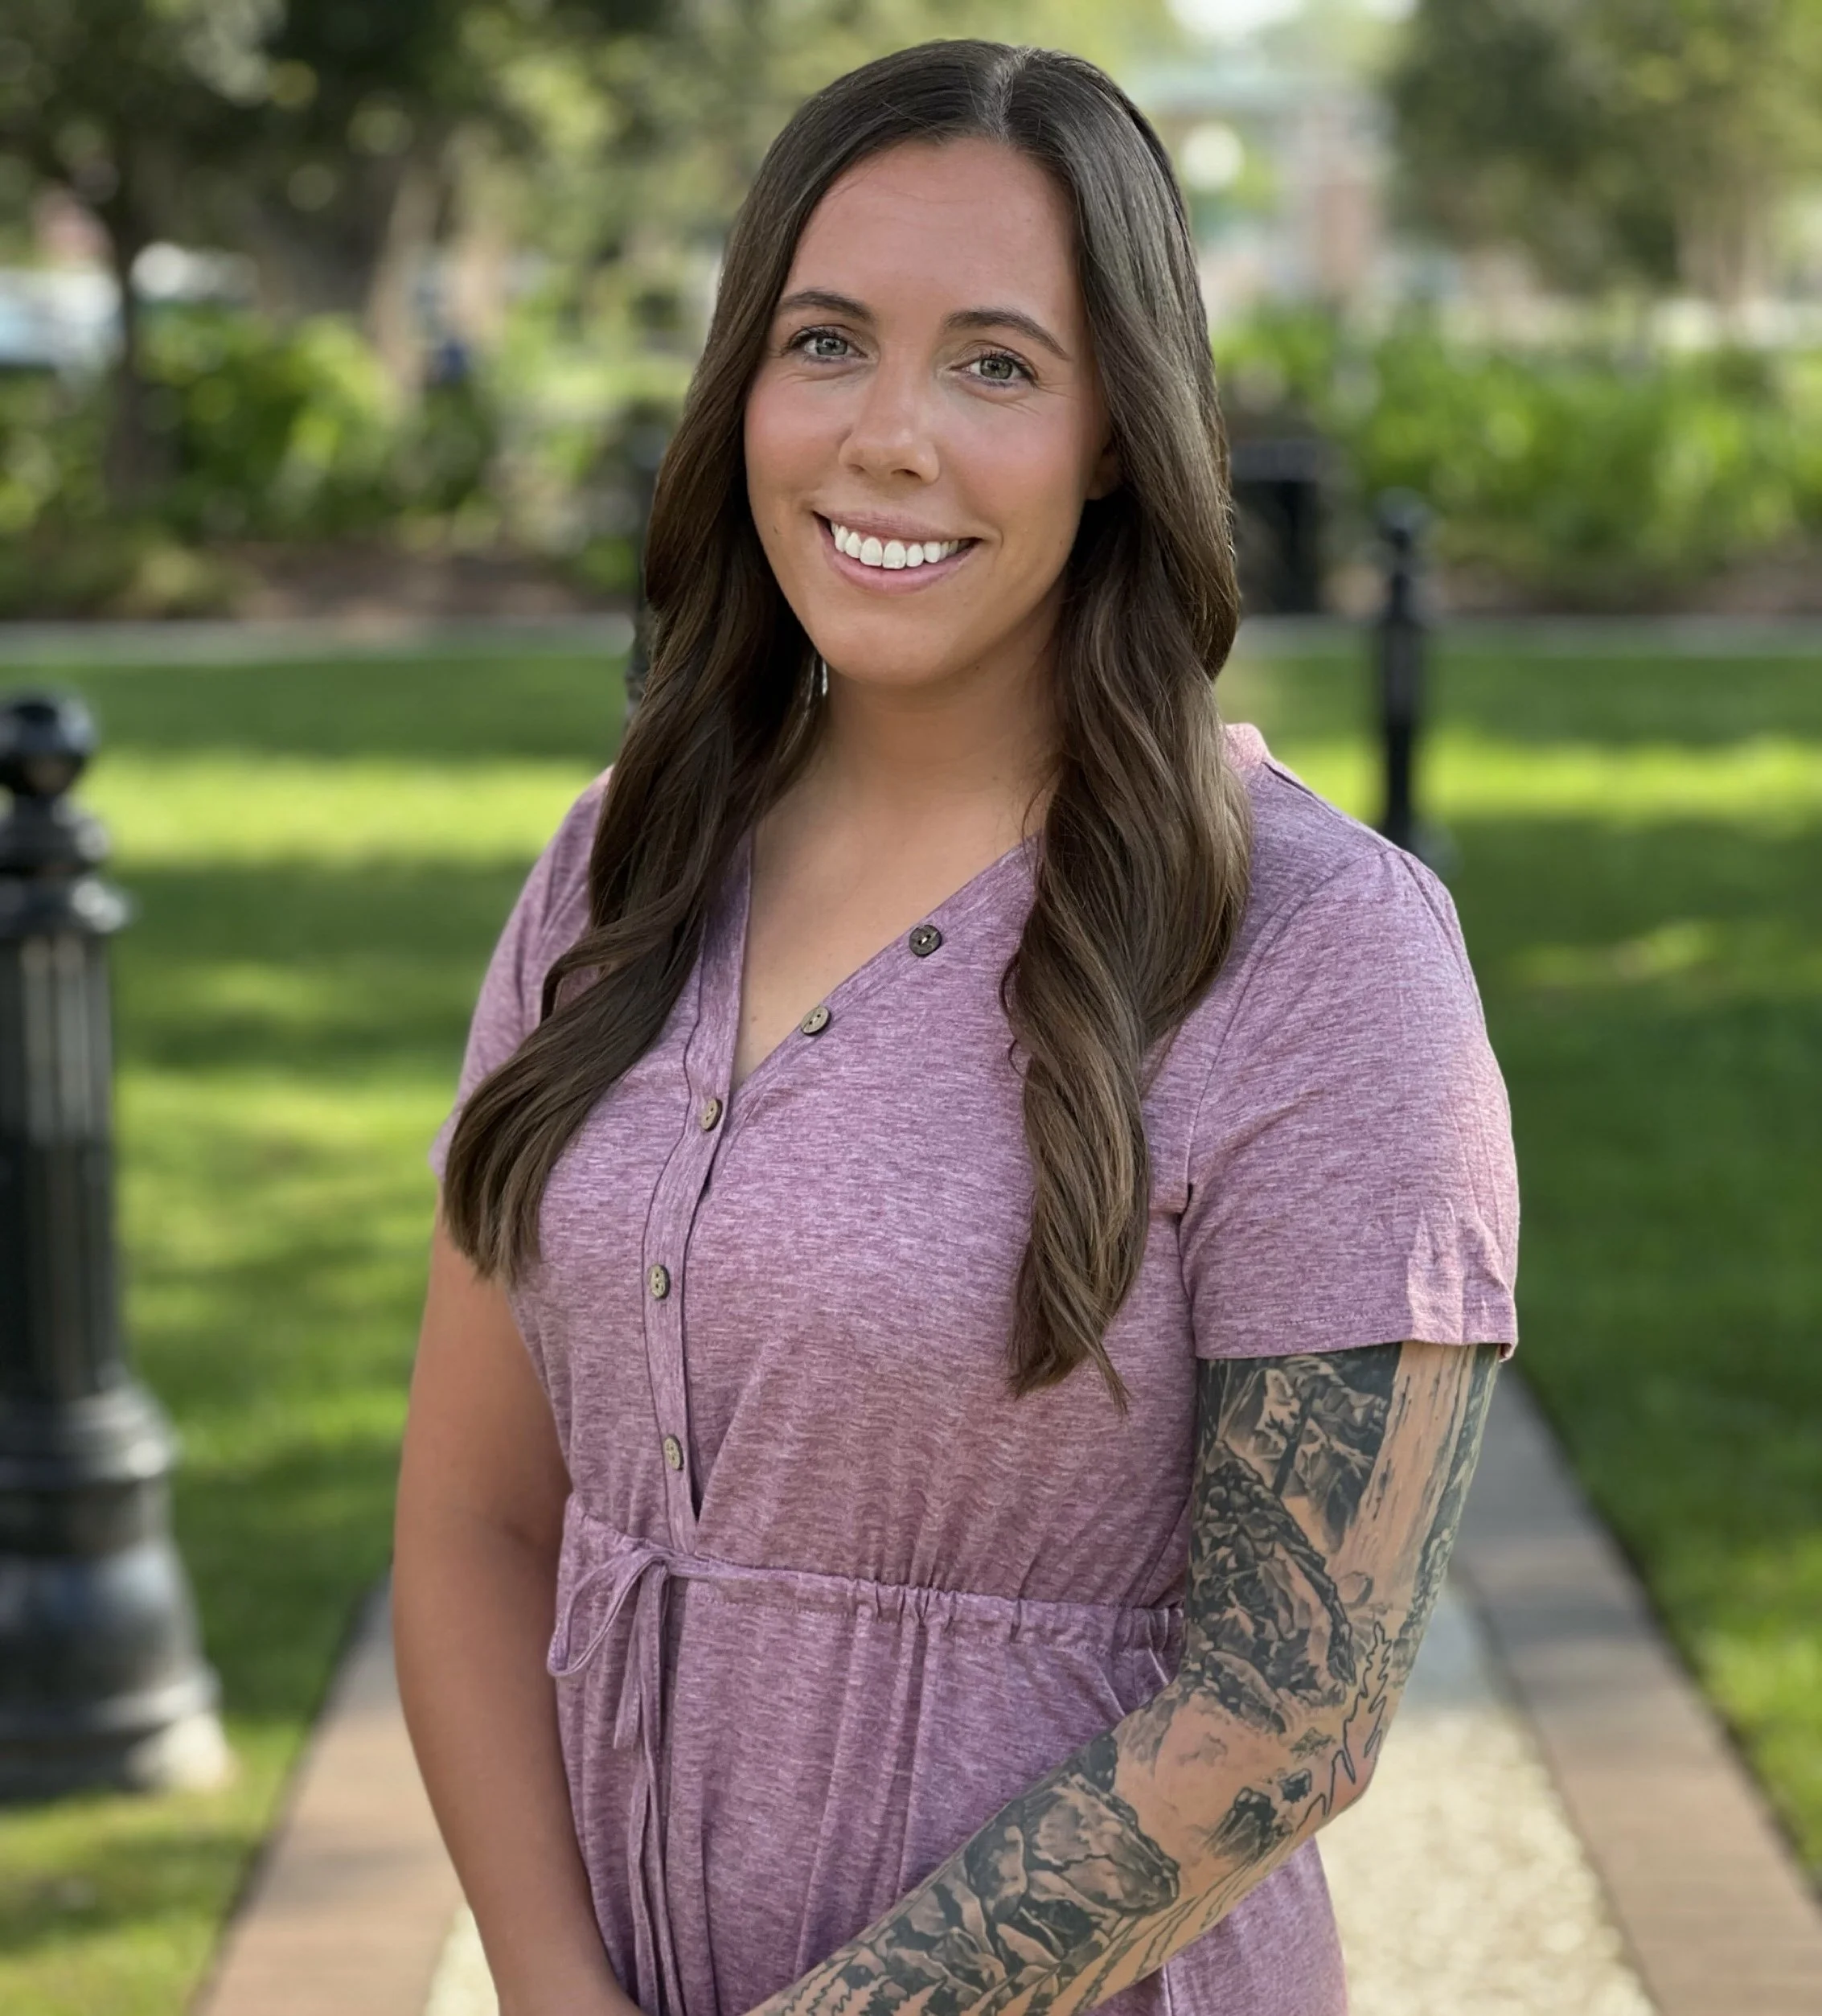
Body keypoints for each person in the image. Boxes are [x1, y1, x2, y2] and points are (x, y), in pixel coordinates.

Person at [393, 39, 1519, 2016]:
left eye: (993, 363)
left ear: (1115, 430)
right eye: (824, 340)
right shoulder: (621, 863)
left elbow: (1288, 1705)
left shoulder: (1319, 950)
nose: (883, 435)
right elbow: (478, 1514)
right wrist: (554, 1986)